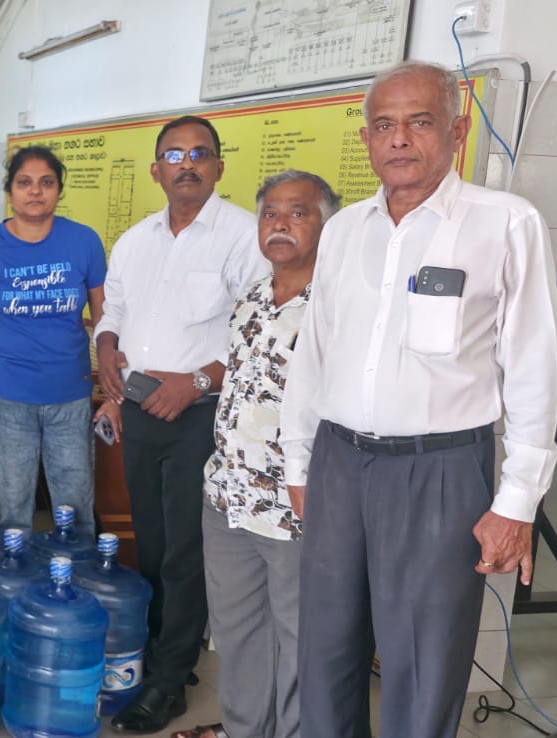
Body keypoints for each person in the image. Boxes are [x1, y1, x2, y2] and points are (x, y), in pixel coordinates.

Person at [280, 61, 557, 738]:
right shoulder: (345, 228)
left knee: (424, 658)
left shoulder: (505, 223)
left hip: (440, 471)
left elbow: (534, 367)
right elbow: (315, 353)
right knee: (326, 647)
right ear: (366, 139)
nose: (399, 139)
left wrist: (517, 501)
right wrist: (298, 461)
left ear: (457, 132)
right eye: (384, 125)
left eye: (420, 122)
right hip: (338, 462)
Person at [94, 114, 268, 734]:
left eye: (199, 153)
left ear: (219, 165)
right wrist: (105, 347)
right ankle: (168, 652)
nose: (186, 164)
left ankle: (167, 684)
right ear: (156, 170)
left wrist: (196, 381)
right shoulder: (135, 240)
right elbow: (114, 309)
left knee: (186, 551)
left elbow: (260, 332)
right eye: (174, 155)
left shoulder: (244, 236)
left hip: (202, 415)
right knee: (152, 543)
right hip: (141, 409)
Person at [173, 171, 339, 738]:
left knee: (300, 639)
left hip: (296, 506)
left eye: (299, 213)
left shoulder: (338, 306)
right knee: (238, 634)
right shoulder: (251, 297)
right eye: (270, 214)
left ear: (327, 225)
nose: (281, 225)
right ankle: (246, 731)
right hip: (228, 497)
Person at [0, 145, 107, 537]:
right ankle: (18, 574)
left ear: (59, 189)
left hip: (70, 396)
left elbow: (104, 322)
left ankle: (70, 574)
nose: (35, 191)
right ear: (10, 190)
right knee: (13, 511)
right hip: (8, 397)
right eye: (24, 182)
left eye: (46, 182)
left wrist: (114, 391)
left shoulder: (84, 242)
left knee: (76, 511)